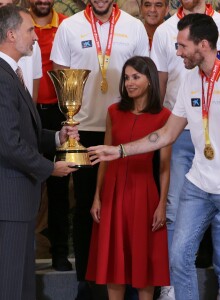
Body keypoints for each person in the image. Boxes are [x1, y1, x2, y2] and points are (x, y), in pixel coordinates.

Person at [88, 13, 220, 300]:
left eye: (183, 46)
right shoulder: (190, 80)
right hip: (197, 185)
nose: (178, 52)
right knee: (178, 259)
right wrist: (119, 150)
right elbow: (167, 134)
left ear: (203, 45)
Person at [50, 1, 149, 298]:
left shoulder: (134, 27)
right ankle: (86, 280)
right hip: (82, 130)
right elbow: (60, 75)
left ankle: (128, 279)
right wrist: (68, 123)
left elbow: (145, 74)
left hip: (123, 126)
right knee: (84, 207)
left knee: (124, 206)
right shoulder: (70, 26)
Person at [150, 0, 220, 299]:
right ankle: (172, 284)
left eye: (183, 47)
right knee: (175, 208)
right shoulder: (166, 31)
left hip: (219, 132)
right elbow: (160, 82)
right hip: (180, 129)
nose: (180, 52)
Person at [0, 5, 79, 300]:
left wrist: (58, 137)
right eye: (30, 30)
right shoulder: (2, 76)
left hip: (17, 201)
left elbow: (23, 132)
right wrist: (50, 168)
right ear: (10, 34)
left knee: (21, 285)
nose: (35, 37)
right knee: (9, 285)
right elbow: (8, 143)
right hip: (8, 201)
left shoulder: (13, 72)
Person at [86, 56, 171, 300]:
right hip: (112, 193)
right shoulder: (113, 111)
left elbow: (165, 166)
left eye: (136, 77)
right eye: (126, 78)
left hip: (144, 193)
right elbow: (104, 155)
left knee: (144, 261)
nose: (129, 83)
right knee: (114, 261)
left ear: (151, 80)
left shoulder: (164, 117)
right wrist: (97, 197)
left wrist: (162, 204)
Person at [27, 0, 71, 272]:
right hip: (26, 110)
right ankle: (24, 251)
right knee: (27, 182)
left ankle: (60, 253)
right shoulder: (17, 24)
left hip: (59, 112)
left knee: (59, 186)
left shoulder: (66, 24)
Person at [0, 0, 42, 101]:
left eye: (9, 6)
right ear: (11, 35)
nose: (5, 10)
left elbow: (35, 80)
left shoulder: (32, 45)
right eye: (0, 4)